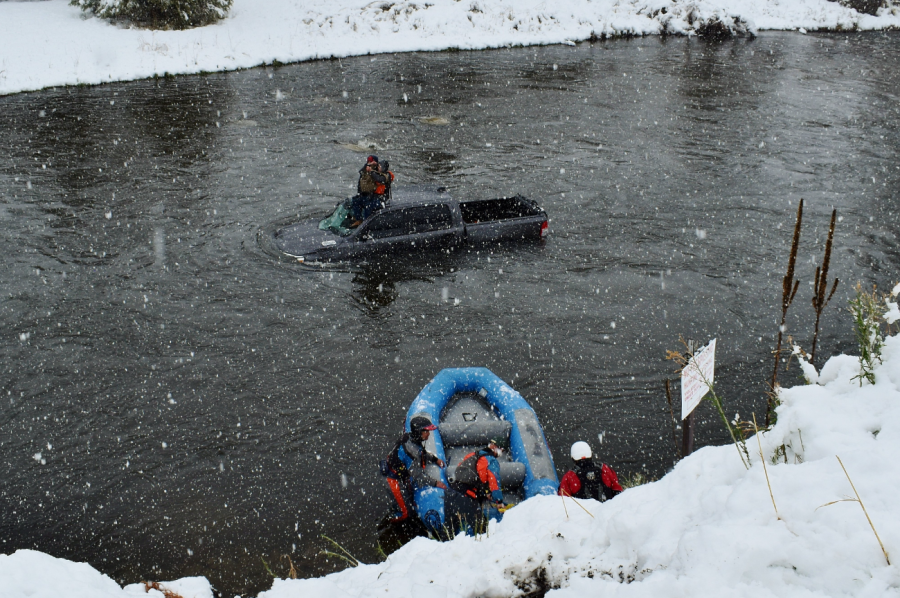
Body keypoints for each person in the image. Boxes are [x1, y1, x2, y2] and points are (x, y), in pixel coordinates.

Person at [381, 415, 447, 523]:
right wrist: (436, 483)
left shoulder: (411, 438)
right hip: (392, 479)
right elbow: (418, 477)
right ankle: (389, 522)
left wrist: (435, 460)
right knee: (406, 514)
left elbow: (422, 453)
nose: (428, 434)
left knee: (408, 500)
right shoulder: (410, 451)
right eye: (426, 431)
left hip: (400, 472)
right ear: (418, 432)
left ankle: (398, 507)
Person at [450, 438, 506, 511]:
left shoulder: (472, 455)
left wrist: (485, 493)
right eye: (502, 451)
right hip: (469, 493)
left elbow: (468, 470)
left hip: (456, 487)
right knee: (476, 519)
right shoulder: (492, 460)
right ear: (496, 448)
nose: (501, 454)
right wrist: (499, 501)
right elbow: (494, 479)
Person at [557, 441, 622, 501]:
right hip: (606, 509)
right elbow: (617, 490)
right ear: (590, 454)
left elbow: (563, 500)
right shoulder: (604, 468)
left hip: (584, 512)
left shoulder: (569, 476)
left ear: (573, 457)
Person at [350, 155, 389, 225]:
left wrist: (372, 170)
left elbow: (380, 179)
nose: (379, 167)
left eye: (380, 166)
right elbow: (361, 172)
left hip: (378, 198)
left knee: (368, 206)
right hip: (369, 195)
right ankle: (358, 220)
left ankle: (366, 224)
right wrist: (367, 165)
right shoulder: (368, 170)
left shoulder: (384, 174)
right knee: (356, 201)